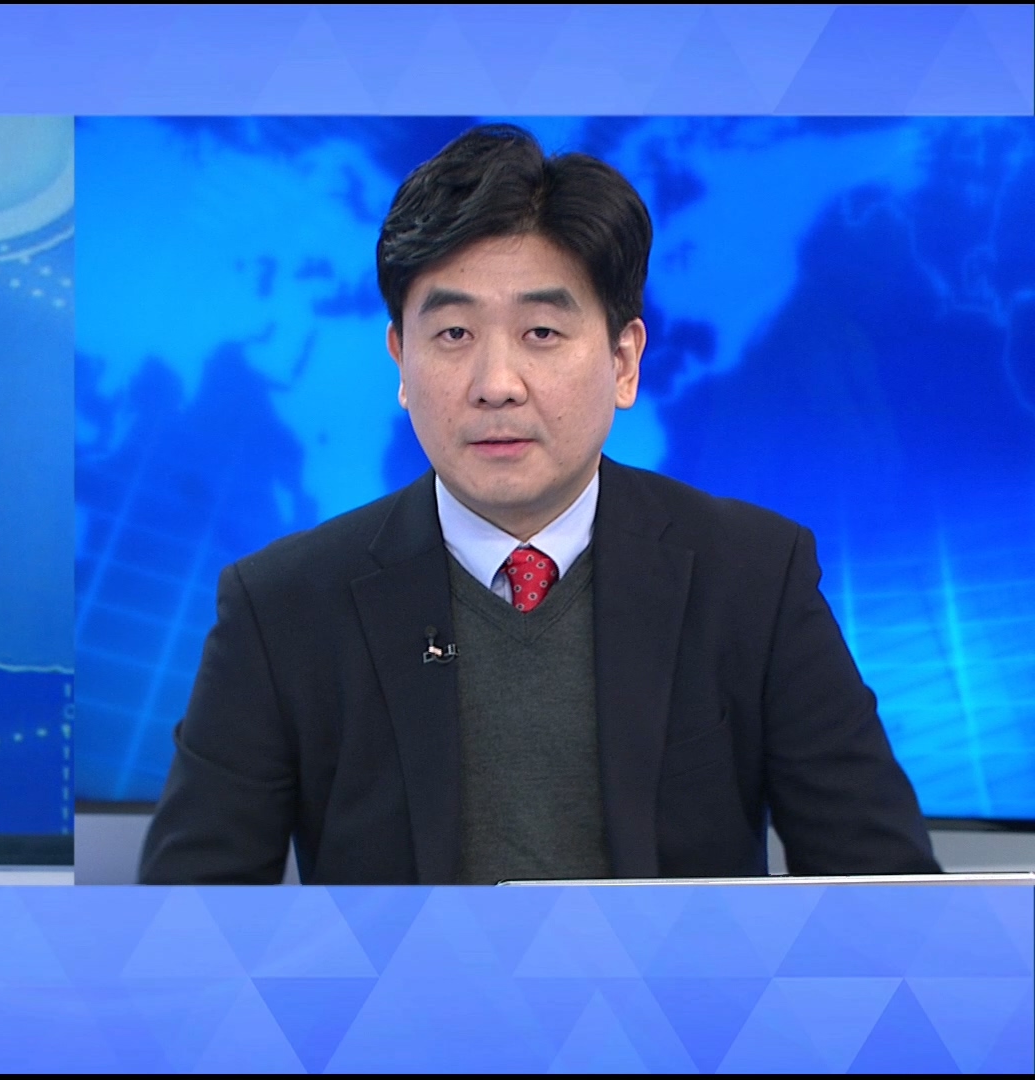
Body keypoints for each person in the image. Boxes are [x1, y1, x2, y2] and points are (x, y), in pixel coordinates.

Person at [138, 125, 939, 885]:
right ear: (401, 362)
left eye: (542, 333)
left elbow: (886, 898)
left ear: (624, 362)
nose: (496, 384)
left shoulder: (754, 580)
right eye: (454, 334)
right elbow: (187, 926)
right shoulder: (281, 608)